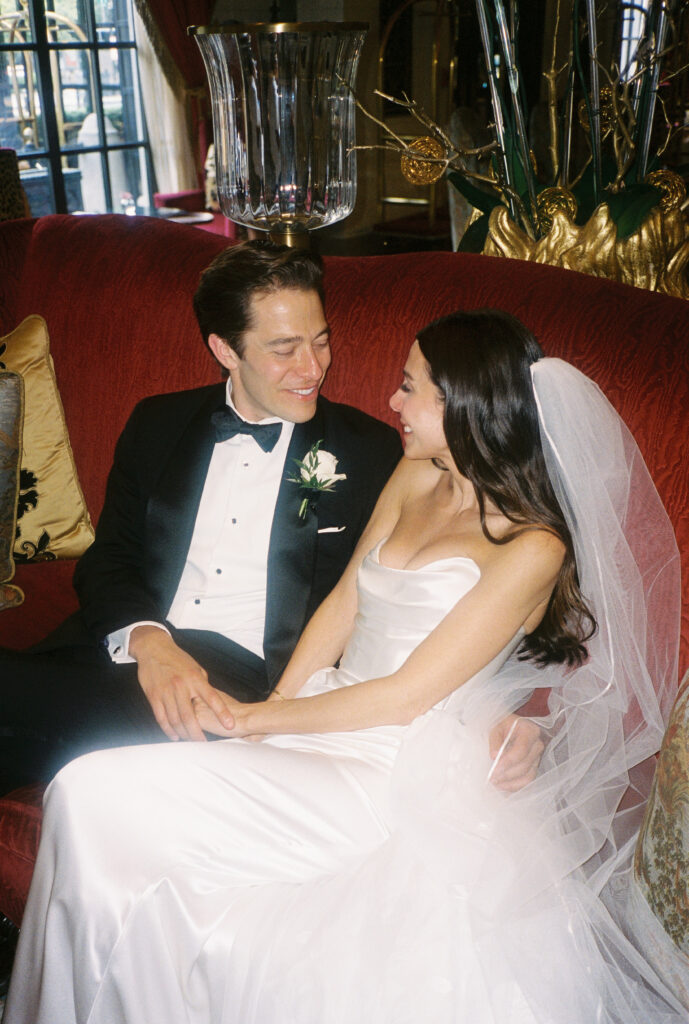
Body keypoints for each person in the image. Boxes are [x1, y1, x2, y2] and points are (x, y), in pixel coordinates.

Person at [5, 308, 683, 1023]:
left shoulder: (531, 548)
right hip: (321, 720)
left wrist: (254, 717)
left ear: (464, 405)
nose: (390, 401)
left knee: (93, 793)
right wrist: (276, 709)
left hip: (399, 768)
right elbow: (341, 605)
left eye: (409, 386)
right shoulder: (414, 476)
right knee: (83, 794)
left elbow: (403, 696)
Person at [0, 242, 538, 794]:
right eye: (284, 349)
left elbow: (438, 596)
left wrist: (486, 717)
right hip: (123, 651)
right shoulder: (157, 423)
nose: (313, 369)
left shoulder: (376, 453)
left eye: (321, 340)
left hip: (242, 685)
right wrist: (150, 643)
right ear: (225, 349)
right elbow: (107, 559)